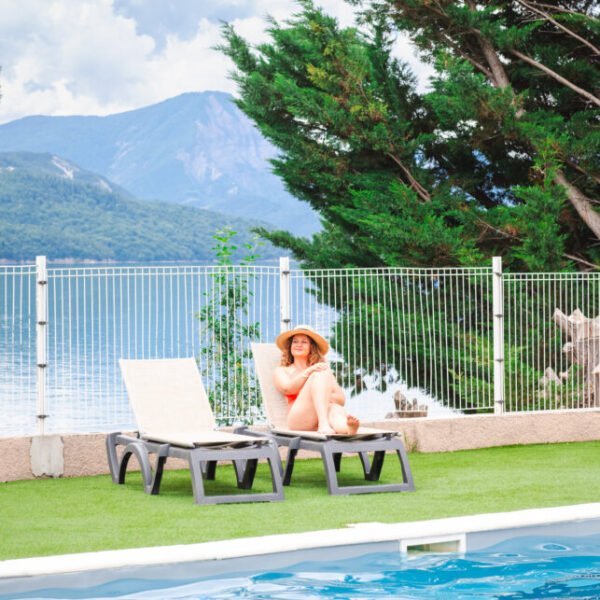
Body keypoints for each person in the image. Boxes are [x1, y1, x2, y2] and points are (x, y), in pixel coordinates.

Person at [273, 325, 360, 435]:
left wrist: (320, 392)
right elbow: (287, 389)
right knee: (319, 375)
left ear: (311, 347)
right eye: (295, 342)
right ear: (290, 346)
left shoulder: (322, 370)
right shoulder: (282, 371)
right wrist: (309, 372)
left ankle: (347, 429)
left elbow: (341, 400)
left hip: (320, 416)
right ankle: (323, 423)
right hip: (298, 420)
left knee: (335, 409)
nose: (299, 345)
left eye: (304, 342)